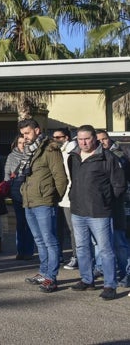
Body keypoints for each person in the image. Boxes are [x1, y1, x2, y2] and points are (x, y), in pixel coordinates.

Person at [68, 125, 126, 301]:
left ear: (94, 138)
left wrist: (105, 200)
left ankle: (110, 285)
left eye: (87, 138)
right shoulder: (74, 157)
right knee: (82, 248)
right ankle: (87, 280)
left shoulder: (107, 157)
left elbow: (119, 185)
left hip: (100, 212)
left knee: (105, 250)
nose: (83, 142)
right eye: (80, 139)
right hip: (78, 211)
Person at [18, 119, 68, 293]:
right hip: (29, 201)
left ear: (37, 131)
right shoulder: (29, 151)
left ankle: (51, 277)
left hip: (44, 202)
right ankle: (43, 271)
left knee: (49, 240)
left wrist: (52, 198)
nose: (25, 137)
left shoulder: (50, 149)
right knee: (39, 240)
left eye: (28, 133)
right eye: (23, 134)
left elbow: (61, 178)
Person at [95, 129, 130, 287]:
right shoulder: (93, 157)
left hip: (115, 205)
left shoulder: (119, 157)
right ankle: (101, 267)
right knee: (99, 243)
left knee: (119, 242)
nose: (103, 142)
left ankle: (126, 272)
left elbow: (121, 184)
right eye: (99, 140)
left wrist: (111, 197)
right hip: (98, 207)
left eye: (105, 139)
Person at [52, 128, 79, 270]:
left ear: (66, 137)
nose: (55, 139)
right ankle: (59, 254)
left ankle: (76, 256)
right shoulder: (59, 151)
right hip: (59, 195)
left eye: (58, 137)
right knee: (59, 228)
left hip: (69, 195)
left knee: (72, 229)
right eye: (54, 137)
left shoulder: (72, 152)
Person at [5, 135, 35, 260]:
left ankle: (28, 251)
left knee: (30, 224)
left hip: (30, 193)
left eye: (24, 142)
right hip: (16, 193)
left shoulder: (33, 155)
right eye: (20, 142)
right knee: (20, 223)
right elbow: (6, 173)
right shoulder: (11, 156)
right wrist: (8, 186)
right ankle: (20, 250)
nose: (22, 144)